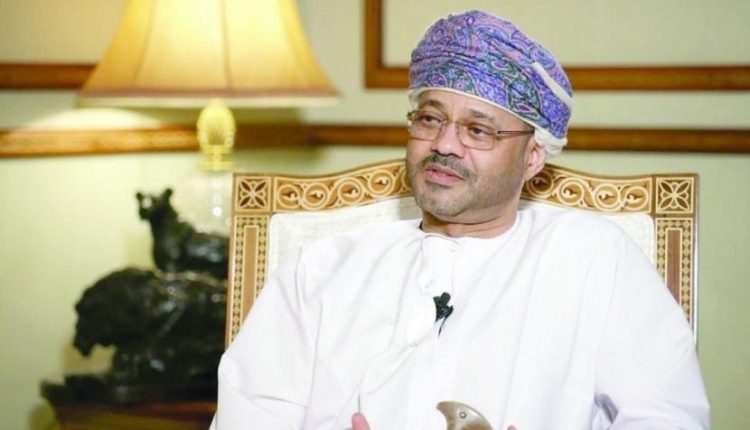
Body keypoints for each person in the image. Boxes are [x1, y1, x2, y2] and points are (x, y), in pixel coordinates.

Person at [210, 10, 709, 430]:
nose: (445, 144)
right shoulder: (319, 272)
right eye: (430, 119)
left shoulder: (595, 260)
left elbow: (669, 418)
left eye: (478, 130)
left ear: (533, 158)